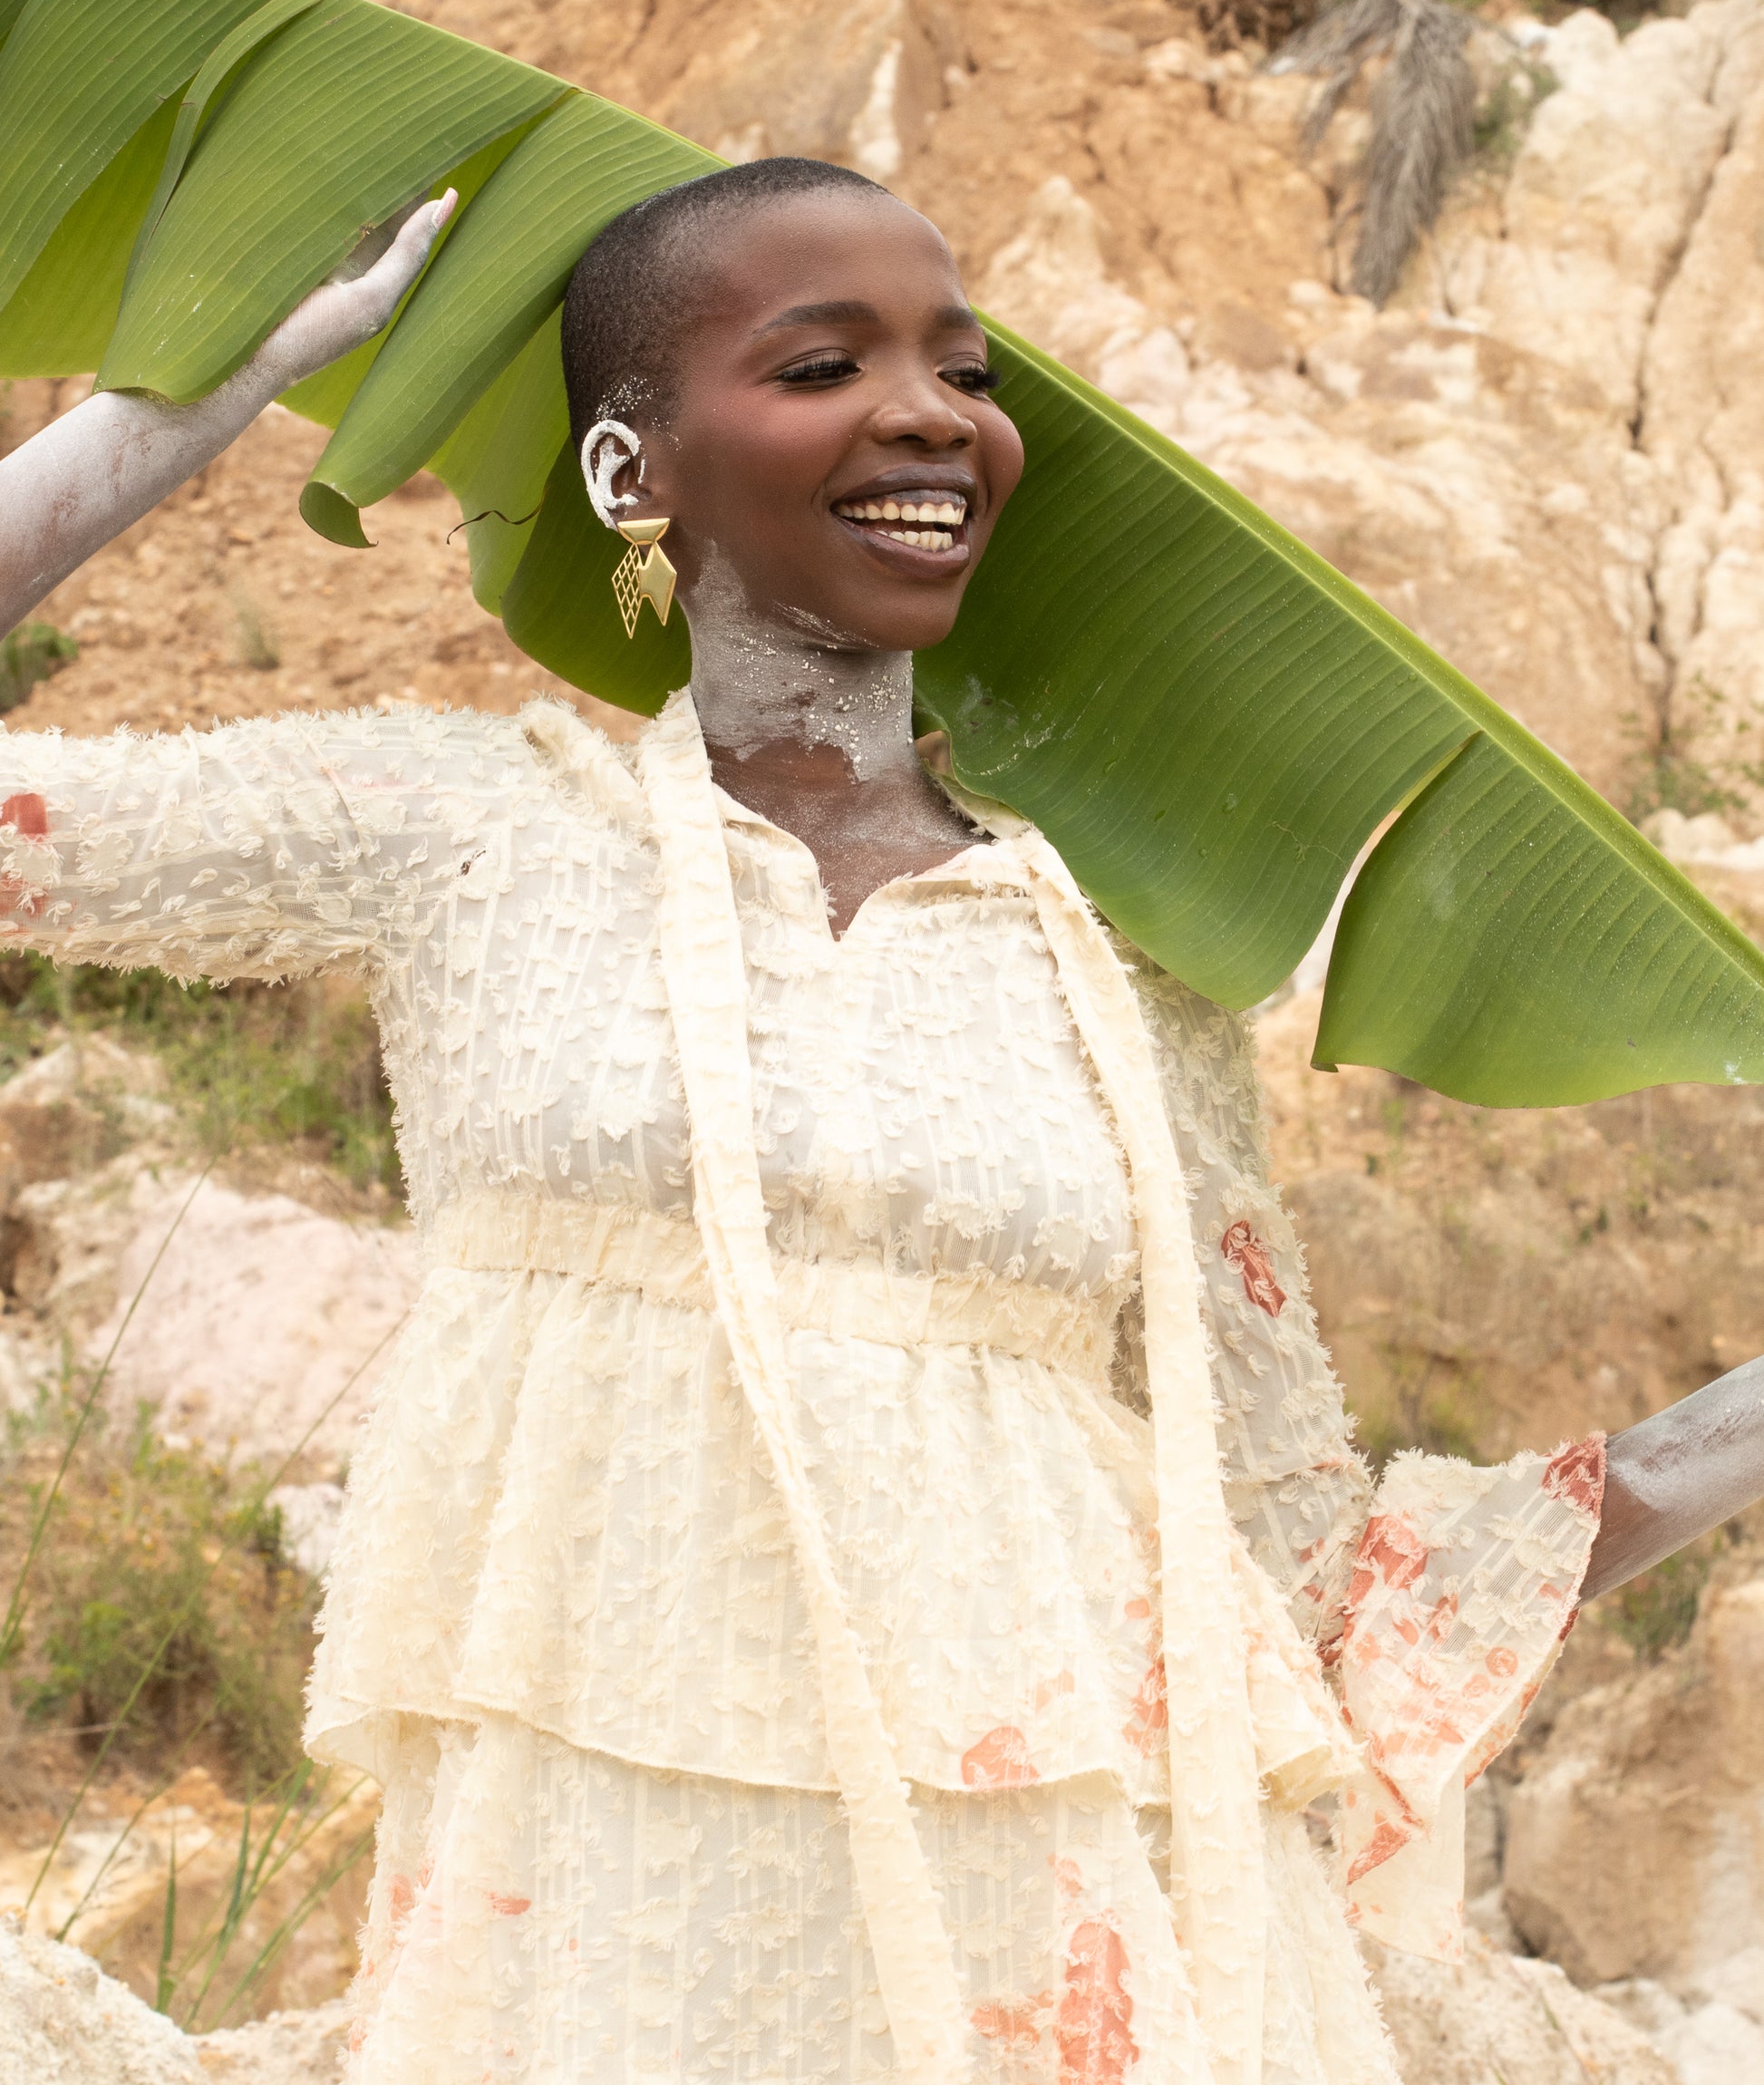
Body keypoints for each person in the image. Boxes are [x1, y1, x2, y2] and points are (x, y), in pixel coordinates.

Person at [1, 156, 1760, 2085]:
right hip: (595, 1965)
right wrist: (233, 371)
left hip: (1070, 1980)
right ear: (632, 469)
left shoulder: (1118, 972)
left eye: (966, 371)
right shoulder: (466, 829)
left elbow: (1311, 1563)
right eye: (823, 361)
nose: (932, 413)